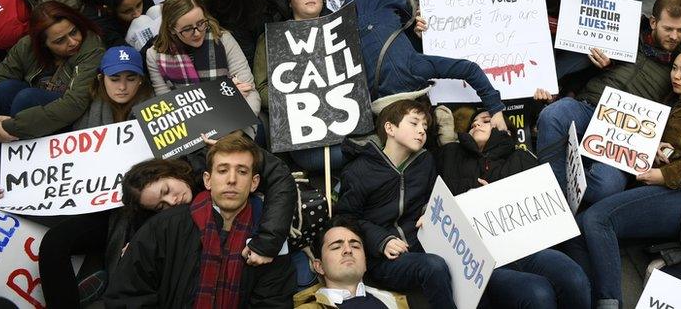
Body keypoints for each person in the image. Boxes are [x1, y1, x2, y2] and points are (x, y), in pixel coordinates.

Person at [573, 44, 681, 306]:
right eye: (674, 68)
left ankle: (609, 303)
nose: (675, 75)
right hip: (661, 189)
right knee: (578, 229)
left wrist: (662, 174)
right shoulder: (674, 104)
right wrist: (654, 148)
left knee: (597, 219)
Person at [105, 133, 297, 306]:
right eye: (222, 170)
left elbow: (274, 301)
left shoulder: (266, 232)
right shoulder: (162, 228)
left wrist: (268, 242)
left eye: (241, 171)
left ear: (254, 182)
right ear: (207, 180)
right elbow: (128, 296)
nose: (231, 179)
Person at [535, 0, 681, 200]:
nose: (674, 36)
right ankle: (555, 195)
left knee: (607, 186)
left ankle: (558, 185)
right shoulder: (625, 32)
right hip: (592, 105)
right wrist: (607, 63)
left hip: (631, 130)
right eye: (668, 29)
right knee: (553, 114)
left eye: (680, 30)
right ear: (653, 22)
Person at [435, 109, 593, 309]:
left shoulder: (523, 158)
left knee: (574, 278)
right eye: (473, 123)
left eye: (485, 121)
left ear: (506, 131)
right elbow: (439, 199)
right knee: (537, 294)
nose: (476, 124)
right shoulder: (451, 156)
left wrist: (496, 195)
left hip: (528, 249)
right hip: (483, 262)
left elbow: (547, 208)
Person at [38, 46, 152, 307]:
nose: (123, 87)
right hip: (93, 208)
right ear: (101, 79)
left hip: (134, 210)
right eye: (115, 79)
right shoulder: (84, 107)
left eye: (131, 78)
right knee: (53, 244)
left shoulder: (155, 111)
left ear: (141, 80)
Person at [336, 99, 456, 309]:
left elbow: (432, 198)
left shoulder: (425, 161)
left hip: (423, 243)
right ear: (390, 128)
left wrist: (430, 211)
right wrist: (381, 240)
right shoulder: (359, 170)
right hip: (382, 259)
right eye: (414, 123)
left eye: (425, 127)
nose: (421, 131)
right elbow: (346, 220)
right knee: (434, 267)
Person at [0, 2, 104, 183]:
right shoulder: (26, 47)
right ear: (43, 44)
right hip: (29, 118)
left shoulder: (91, 46)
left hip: (71, 119)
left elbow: (74, 104)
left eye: (74, 31)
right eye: (60, 41)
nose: (73, 41)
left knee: (27, 98)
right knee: (3, 90)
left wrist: (6, 128)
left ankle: (1, 178)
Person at [144, 0, 261, 123]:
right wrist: (222, 95)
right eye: (187, 29)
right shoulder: (154, 56)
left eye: (201, 23)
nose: (198, 33)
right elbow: (170, 112)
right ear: (171, 29)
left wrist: (235, 133)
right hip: (194, 132)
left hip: (237, 122)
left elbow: (249, 92)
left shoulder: (223, 39)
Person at [252, 0, 329, 108]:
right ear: (289, 2)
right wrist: (297, 102)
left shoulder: (340, 29)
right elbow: (262, 88)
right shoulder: (272, 37)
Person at [294, 218, 409, 308]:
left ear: (365, 261)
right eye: (336, 247)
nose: (348, 250)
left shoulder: (397, 301)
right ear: (319, 266)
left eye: (355, 246)